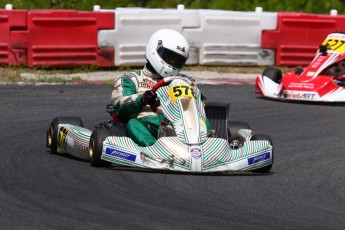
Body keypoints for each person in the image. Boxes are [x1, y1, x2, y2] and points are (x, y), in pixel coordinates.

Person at [111, 29, 212, 147]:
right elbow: (119, 105)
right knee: (133, 124)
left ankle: (208, 147)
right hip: (148, 125)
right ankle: (155, 149)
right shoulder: (132, 79)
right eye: (169, 57)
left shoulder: (184, 81)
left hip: (180, 125)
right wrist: (142, 99)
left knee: (203, 121)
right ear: (155, 50)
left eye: (177, 60)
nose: (173, 62)